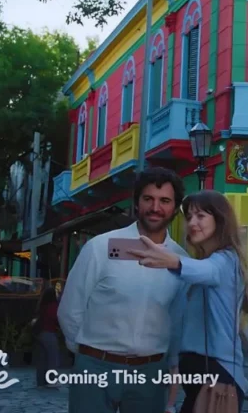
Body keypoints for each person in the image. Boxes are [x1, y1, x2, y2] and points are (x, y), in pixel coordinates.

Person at [57, 167, 188, 413]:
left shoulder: (180, 259)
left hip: (149, 372)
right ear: (137, 203)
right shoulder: (101, 247)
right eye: (148, 199)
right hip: (95, 366)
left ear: (175, 207)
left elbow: (177, 319)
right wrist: (88, 354)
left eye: (165, 201)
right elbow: (70, 309)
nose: (155, 208)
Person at [132, 190, 248, 413]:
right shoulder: (202, 264)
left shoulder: (226, 260)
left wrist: (172, 260)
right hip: (199, 378)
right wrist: (174, 362)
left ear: (220, 219)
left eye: (200, 216)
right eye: (188, 217)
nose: (192, 223)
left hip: (218, 376)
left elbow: (210, 270)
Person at [32, 286, 61, 388]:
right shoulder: (53, 306)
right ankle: (51, 380)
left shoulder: (41, 305)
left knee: (42, 359)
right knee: (53, 358)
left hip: (39, 333)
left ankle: (41, 381)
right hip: (49, 333)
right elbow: (57, 319)